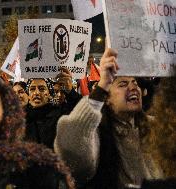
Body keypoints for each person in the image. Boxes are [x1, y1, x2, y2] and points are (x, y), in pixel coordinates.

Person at [54, 48, 162, 189]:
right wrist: (102, 86)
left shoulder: (157, 127)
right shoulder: (98, 133)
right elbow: (72, 153)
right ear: (107, 99)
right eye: (123, 84)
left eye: (135, 82)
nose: (133, 86)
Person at [25, 68, 81, 149]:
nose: (36, 93)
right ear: (28, 95)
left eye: (42, 89)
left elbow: (82, 113)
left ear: (49, 94)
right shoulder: (20, 117)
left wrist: (70, 92)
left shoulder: (60, 114)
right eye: (32, 89)